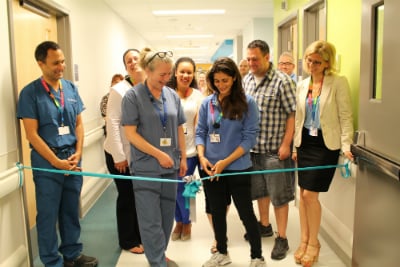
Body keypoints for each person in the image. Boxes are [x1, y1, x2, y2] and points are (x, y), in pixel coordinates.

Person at [16, 41, 98, 267]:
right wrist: (55, 162)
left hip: (72, 159)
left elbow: (79, 125)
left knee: (71, 210)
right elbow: (31, 134)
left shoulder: (70, 89)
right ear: (41, 63)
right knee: (48, 215)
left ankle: (72, 254)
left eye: (62, 62)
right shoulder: (30, 93)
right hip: (47, 163)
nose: (61, 66)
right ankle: (52, 261)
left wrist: (79, 152)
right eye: (55, 63)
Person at [196, 57, 265, 267]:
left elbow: (249, 138)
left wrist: (225, 162)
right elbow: (200, 132)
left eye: (225, 80)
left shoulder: (248, 103)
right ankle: (222, 253)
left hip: (237, 167)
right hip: (211, 168)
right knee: (217, 211)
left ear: (234, 78)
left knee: (246, 213)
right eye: (216, 81)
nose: (220, 85)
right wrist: (202, 157)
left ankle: (256, 256)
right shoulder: (207, 103)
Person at [121, 48, 187, 267]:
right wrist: (159, 154)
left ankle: (160, 254)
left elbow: (179, 127)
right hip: (146, 168)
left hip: (170, 167)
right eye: (162, 75)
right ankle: (157, 262)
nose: (166, 79)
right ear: (148, 71)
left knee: (167, 218)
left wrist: (183, 158)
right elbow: (130, 134)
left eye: (169, 74)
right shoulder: (133, 96)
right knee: (150, 221)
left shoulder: (172, 95)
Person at [291, 40, 353, 267]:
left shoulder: (338, 82)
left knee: (309, 196)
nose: (311, 64)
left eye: (317, 62)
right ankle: (304, 240)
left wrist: (346, 146)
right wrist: (295, 147)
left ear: (327, 62)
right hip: (305, 144)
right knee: (303, 193)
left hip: (325, 146)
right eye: (308, 60)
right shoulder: (302, 84)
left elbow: (346, 116)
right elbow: (299, 118)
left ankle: (314, 243)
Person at [243, 40, 296, 260]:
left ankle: (281, 237)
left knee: (279, 196)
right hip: (253, 150)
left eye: (255, 58)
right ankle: (264, 225)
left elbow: (293, 114)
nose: (252, 62)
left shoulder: (282, 82)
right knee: (260, 192)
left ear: (267, 57)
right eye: (249, 59)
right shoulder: (247, 80)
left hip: (275, 151)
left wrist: (286, 144)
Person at [103, 49, 146, 254]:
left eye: (136, 58)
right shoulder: (119, 90)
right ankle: (128, 241)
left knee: (140, 196)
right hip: (120, 154)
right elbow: (112, 123)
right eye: (129, 60)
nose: (133, 62)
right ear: (125, 66)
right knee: (127, 196)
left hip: (140, 154)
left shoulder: (147, 86)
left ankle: (140, 235)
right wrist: (119, 157)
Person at [167, 57, 204, 242]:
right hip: (171, 152)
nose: (185, 75)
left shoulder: (198, 96)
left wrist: (200, 150)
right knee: (172, 189)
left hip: (191, 152)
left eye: (189, 72)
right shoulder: (167, 94)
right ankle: (178, 221)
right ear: (175, 73)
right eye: (182, 71)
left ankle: (187, 222)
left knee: (186, 189)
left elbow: (200, 125)